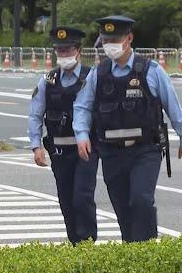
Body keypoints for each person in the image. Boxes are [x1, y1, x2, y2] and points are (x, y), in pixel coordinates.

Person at [73, 15, 182, 242]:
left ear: (129, 38)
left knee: (141, 199)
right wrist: (82, 134)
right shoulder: (98, 74)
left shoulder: (151, 71)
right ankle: (132, 252)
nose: (110, 44)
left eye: (116, 38)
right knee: (123, 209)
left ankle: (149, 251)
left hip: (145, 150)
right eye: (105, 40)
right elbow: (82, 106)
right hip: (112, 153)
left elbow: (173, 107)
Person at [28, 26, 98, 245]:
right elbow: (35, 114)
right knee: (66, 201)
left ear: (78, 50)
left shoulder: (91, 77)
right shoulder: (48, 81)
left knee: (82, 198)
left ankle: (87, 243)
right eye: (60, 51)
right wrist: (36, 146)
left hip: (85, 150)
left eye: (68, 50)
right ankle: (75, 243)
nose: (64, 55)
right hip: (59, 150)